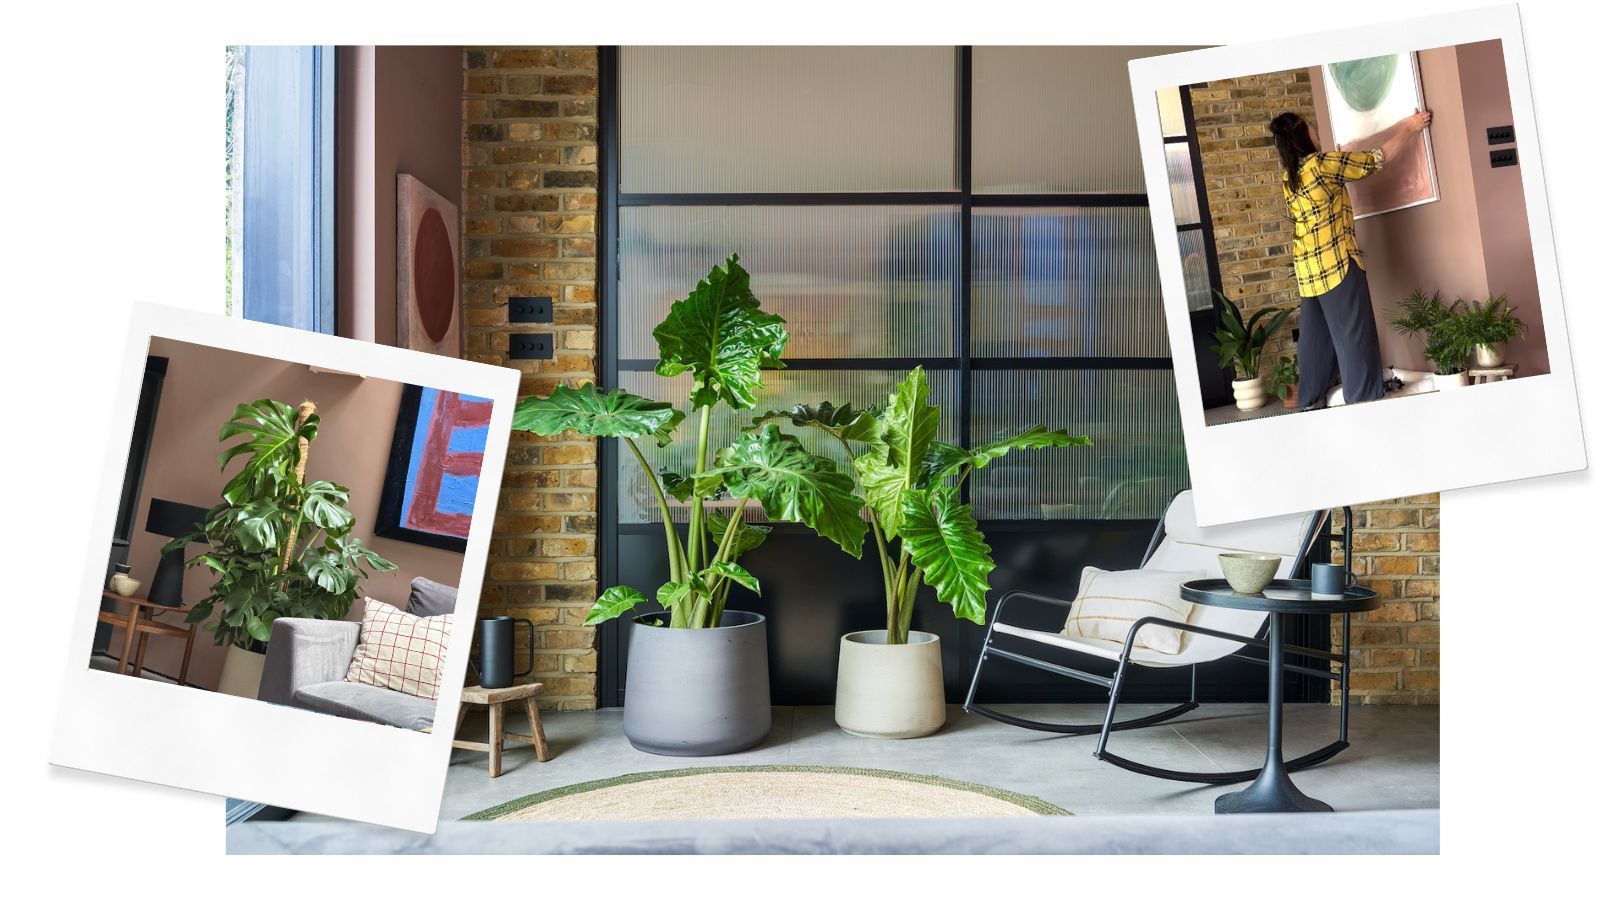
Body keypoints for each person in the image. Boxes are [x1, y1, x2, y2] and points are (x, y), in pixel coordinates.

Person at [1269, 108, 1431, 409]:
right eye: (1311, 128)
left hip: (1308, 270)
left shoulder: (1289, 177)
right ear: (1303, 136)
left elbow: (1329, 182)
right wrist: (1410, 127)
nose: (1316, 132)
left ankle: (1308, 400)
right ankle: (1364, 400)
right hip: (1337, 266)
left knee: (1315, 340)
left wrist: (1339, 160)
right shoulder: (1322, 165)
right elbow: (1375, 160)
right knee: (1354, 336)